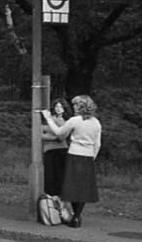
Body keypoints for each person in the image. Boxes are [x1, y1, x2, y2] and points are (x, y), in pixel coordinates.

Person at [42, 95, 102, 228]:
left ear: (80, 107)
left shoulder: (75, 120)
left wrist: (47, 118)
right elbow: (97, 144)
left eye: (75, 105)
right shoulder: (96, 122)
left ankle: (74, 216)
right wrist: (92, 157)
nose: (73, 107)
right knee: (83, 188)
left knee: (72, 187)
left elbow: (59, 132)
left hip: (74, 154)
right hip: (88, 157)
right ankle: (77, 216)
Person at [41, 98, 72, 197]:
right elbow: (40, 134)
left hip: (62, 150)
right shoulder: (48, 119)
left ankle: (60, 197)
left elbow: (62, 137)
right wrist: (54, 136)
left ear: (65, 108)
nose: (58, 109)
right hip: (49, 150)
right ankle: (50, 197)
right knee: (49, 175)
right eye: (57, 106)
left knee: (60, 175)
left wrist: (53, 135)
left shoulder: (67, 120)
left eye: (61, 106)